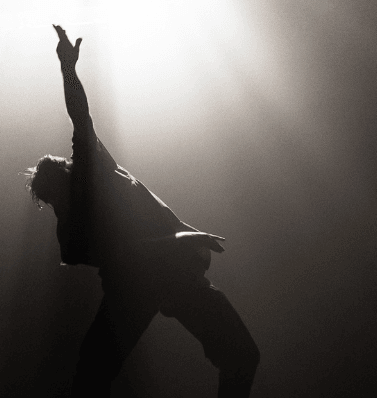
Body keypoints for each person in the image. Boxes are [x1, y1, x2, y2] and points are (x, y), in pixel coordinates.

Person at [23, 25, 260, 397]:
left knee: (242, 356)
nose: (76, 161)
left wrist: (69, 69)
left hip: (171, 275)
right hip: (139, 284)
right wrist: (180, 237)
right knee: (92, 376)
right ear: (61, 188)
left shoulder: (94, 171)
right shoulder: (76, 220)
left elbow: (79, 116)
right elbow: (125, 256)